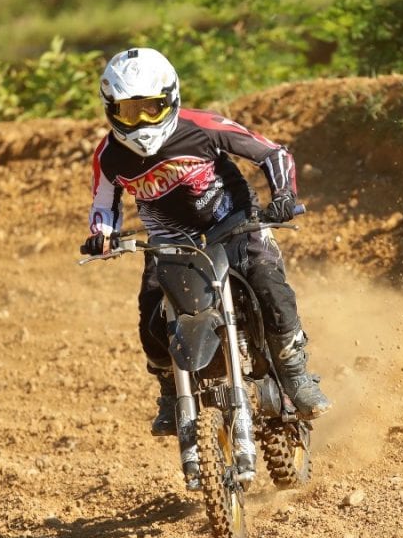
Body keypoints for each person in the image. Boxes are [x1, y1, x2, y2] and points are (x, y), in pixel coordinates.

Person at [80, 47, 331, 436]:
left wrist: (283, 196)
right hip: (169, 241)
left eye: (149, 108)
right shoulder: (109, 156)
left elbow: (272, 154)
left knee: (268, 283)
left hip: (233, 222)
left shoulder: (202, 126)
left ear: (171, 98)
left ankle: (296, 375)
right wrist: (102, 235)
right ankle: (169, 392)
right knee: (152, 316)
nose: (141, 121)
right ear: (110, 110)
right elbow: (103, 203)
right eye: (129, 112)